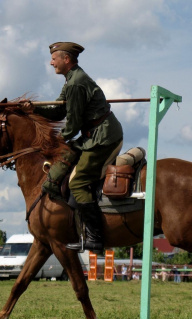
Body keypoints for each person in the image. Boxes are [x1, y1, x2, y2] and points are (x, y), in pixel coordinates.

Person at [22, 42, 123, 254]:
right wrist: (35, 110)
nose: (51, 63)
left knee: (77, 182)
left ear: (66, 60)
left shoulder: (76, 83)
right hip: (90, 137)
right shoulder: (71, 80)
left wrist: (57, 142)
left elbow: (73, 123)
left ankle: (95, 237)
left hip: (103, 139)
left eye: (54, 58)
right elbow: (59, 111)